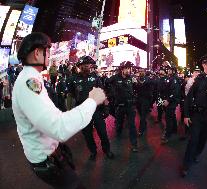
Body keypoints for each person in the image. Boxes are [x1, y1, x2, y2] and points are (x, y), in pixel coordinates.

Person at [12, 32, 106, 189]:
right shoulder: (29, 82)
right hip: (46, 160)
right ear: (37, 53)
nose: (49, 55)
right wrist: (92, 101)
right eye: (47, 50)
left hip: (52, 153)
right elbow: (59, 127)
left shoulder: (32, 78)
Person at [67, 56, 114, 160]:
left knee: (102, 132)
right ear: (79, 66)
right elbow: (70, 96)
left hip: (96, 110)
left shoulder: (95, 78)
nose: (86, 66)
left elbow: (102, 93)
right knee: (87, 135)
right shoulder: (73, 79)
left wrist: (106, 108)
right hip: (83, 113)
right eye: (84, 65)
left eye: (88, 64)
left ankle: (107, 150)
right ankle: (93, 151)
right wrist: (70, 112)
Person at [107, 61, 139, 152]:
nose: (128, 70)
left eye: (129, 68)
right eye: (126, 68)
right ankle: (118, 134)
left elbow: (137, 89)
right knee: (119, 124)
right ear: (122, 69)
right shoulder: (115, 78)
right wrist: (111, 94)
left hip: (130, 106)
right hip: (119, 106)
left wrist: (136, 84)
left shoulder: (132, 78)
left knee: (132, 125)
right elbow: (106, 83)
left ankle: (134, 144)